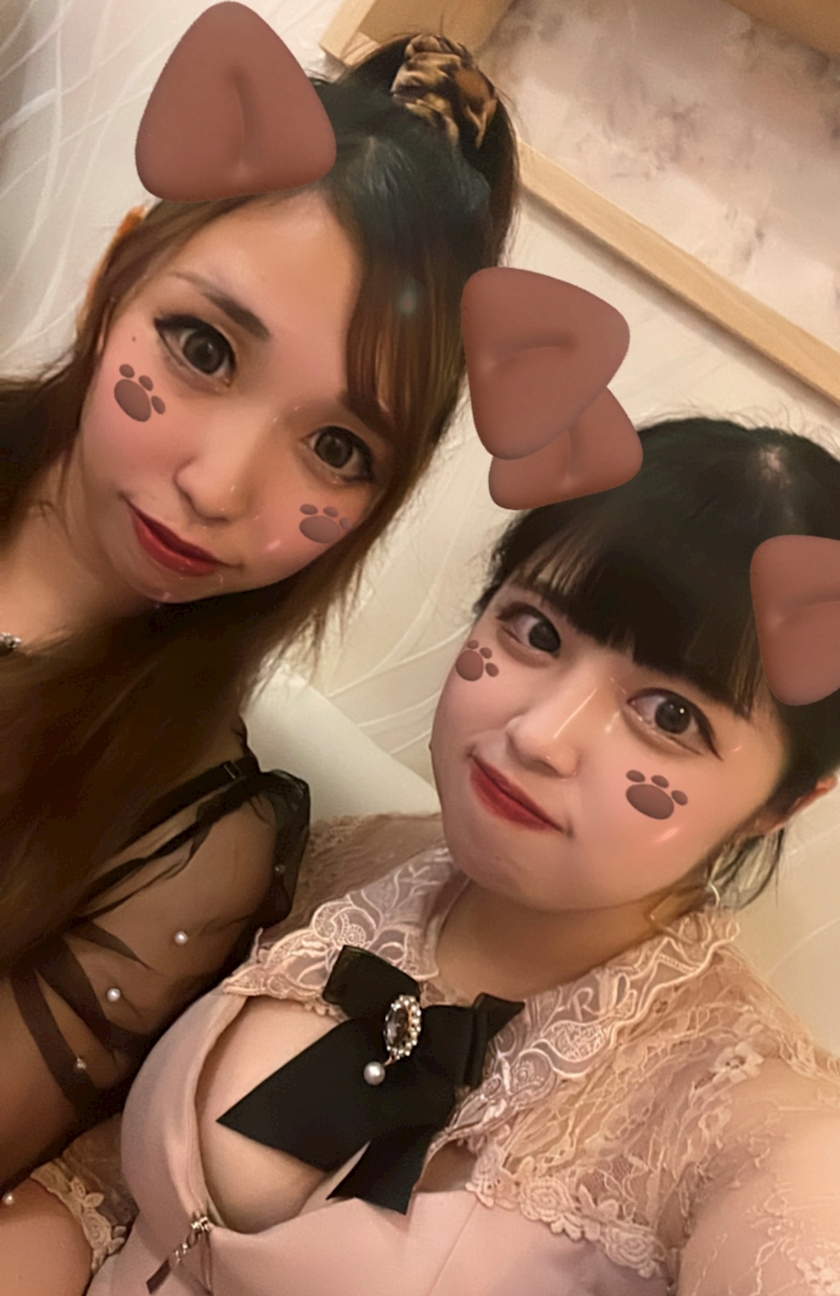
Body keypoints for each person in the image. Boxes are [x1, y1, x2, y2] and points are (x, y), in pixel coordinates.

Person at [14, 414, 840, 1294]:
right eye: (536, 632)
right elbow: (95, 1188)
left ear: (785, 802)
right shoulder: (331, 865)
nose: (539, 735)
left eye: (671, 715)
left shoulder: (746, 1123)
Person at [0, 30, 519, 1199]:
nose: (219, 486)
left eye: (336, 447)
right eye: (203, 349)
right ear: (115, 278)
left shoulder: (187, 845)